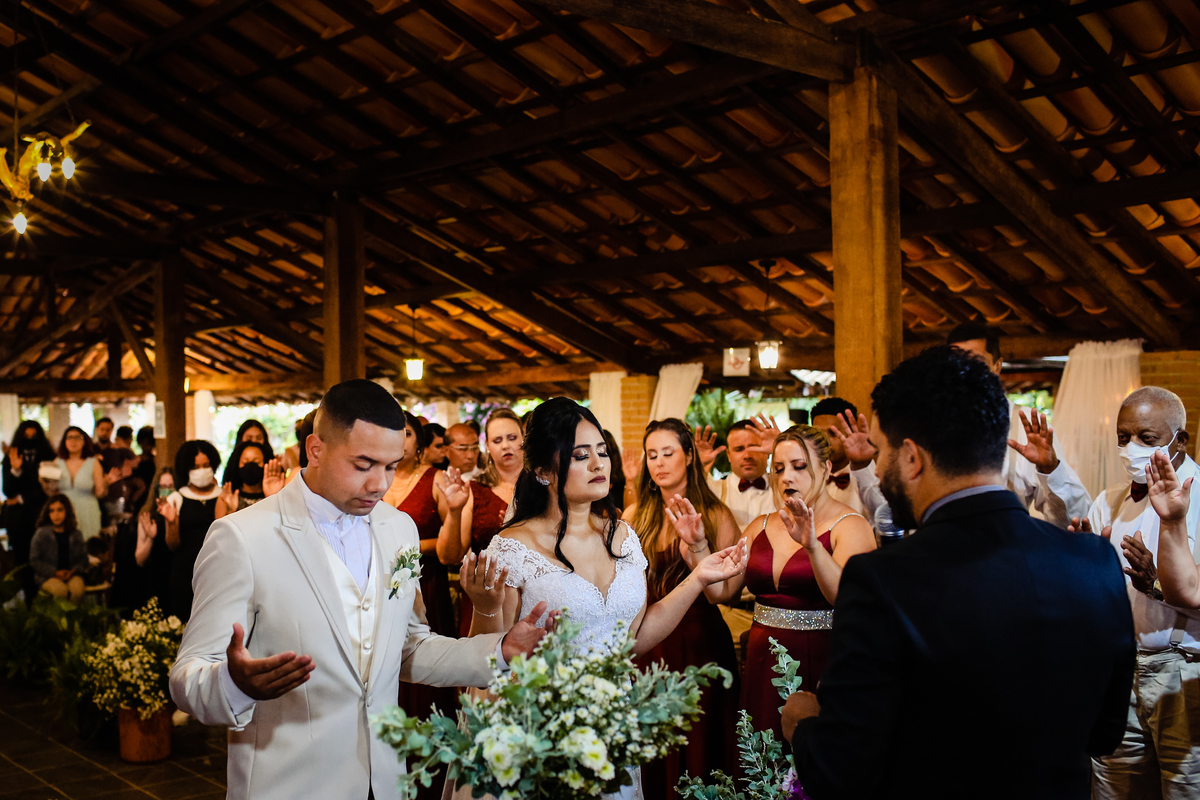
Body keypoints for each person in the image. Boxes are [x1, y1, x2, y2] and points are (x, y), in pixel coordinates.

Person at [169, 379, 552, 800]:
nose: (379, 485)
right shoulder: (241, 537)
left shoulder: (398, 528)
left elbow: (408, 648)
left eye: (390, 466)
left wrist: (499, 650)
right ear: (315, 449)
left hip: (386, 782)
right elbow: (187, 678)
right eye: (363, 464)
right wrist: (234, 683)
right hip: (289, 786)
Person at [781, 346, 1135, 800]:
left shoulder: (881, 581)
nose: (881, 466)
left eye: (884, 451)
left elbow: (842, 768)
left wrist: (804, 725)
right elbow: (1105, 735)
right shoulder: (1093, 561)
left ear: (912, 456)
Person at [454, 398, 747, 800]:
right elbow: (487, 664)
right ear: (542, 471)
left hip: (611, 722)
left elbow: (631, 640)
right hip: (540, 726)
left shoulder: (623, 536)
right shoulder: (511, 547)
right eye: (580, 455)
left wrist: (697, 578)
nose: (598, 465)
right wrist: (485, 607)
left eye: (602, 452)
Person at [698, 425, 875, 741]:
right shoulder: (760, 526)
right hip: (761, 659)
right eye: (778, 469)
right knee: (761, 762)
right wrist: (697, 547)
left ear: (826, 467)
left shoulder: (850, 525)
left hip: (821, 660)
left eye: (799, 466)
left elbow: (848, 600)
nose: (786, 477)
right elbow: (720, 593)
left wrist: (812, 545)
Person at [1070, 386, 1200, 799]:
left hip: (1185, 669)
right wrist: (1084, 569)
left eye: (1147, 438)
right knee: (1115, 788)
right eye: (1123, 438)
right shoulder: (1107, 503)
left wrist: (1158, 585)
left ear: (1181, 439)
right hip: (1119, 669)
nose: (1131, 449)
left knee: (1185, 789)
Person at [837, 322, 1092, 530]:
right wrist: (862, 467)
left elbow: (1073, 520)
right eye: (956, 363)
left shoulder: (1023, 425)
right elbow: (893, 512)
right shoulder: (927, 419)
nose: (965, 372)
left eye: (976, 362)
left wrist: (1049, 469)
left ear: (997, 366)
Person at [624, 418, 743, 800]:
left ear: (689, 456)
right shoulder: (633, 516)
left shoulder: (717, 515)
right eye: (652, 455)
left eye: (668, 453)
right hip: (647, 644)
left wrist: (697, 548)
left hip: (698, 645)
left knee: (698, 746)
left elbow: (722, 595)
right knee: (651, 748)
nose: (659, 463)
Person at [438, 408, 523, 636]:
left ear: (524, 440)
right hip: (487, 598)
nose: (505, 445)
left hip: (534, 595)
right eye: (497, 440)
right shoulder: (476, 490)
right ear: (488, 447)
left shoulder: (545, 487)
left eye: (512, 438)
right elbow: (449, 556)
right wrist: (455, 511)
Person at [163, 440, 222, 622]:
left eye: (206, 465)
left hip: (218, 571)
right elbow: (172, 545)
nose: (202, 471)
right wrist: (172, 522)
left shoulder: (224, 496)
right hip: (185, 573)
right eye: (196, 467)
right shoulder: (176, 498)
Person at [111, 467, 176, 616]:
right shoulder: (147, 514)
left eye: (171, 487)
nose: (167, 491)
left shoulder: (183, 512)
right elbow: (140, 559)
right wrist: (150, 538)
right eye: (163, 487)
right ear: (156, 489)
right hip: (155, 574)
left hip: (175, 571)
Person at [701, 419, 778, 530]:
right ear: (729, 455)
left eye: (754, 447)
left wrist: (781, 448)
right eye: (739, 449)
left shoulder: (784, 488)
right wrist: (697, 466)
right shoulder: (713, 491)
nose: (747, 455)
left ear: (768, 452)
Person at [3, 421, 57, 572]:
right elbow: (7, 490)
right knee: (21, 562)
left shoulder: (48, 457)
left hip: (40, 515)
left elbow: (48, 489)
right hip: (17, 520)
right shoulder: (11, 456)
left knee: (44, 558)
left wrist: (21, 499)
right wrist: (15, 470)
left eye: (33, 436)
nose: (29, 439)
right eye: (26, 436)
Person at [810, 398, 866, 515]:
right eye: (819, 434)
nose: (825, 442)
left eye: (833, 433)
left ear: (850, 432)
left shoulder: (866, 480)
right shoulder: (806, 479)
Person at [29, 495, 88, 603]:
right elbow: (34, 560)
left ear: (67, 511)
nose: (56, 515)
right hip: (47, 576)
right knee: (60, 591)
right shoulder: (41, 534)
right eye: (52, 511)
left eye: (60, 510)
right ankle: (60, 620)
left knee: (77, 591)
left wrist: (73, 571)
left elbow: (84, 559)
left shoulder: (76, 534)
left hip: (72, 574)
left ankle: (74, 619)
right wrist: (54, 572)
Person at [54, 426, 107, 541]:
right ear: (64, 441)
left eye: (78, 438)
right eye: (70, 438)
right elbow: (51, 491)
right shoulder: (57, 462)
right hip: (64, 510)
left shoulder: (93, 462)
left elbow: (100, 492)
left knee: (88, 546)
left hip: (88, 509)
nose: (73, 442)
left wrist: (106, 482)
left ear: (84, 441)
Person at [216, 441, 284, 519]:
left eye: (256, 462)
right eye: (245, 462)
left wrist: (272, 498)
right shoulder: (227, 497)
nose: (250, 466)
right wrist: (231, 511)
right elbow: (221, 529)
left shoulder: (276, 495)